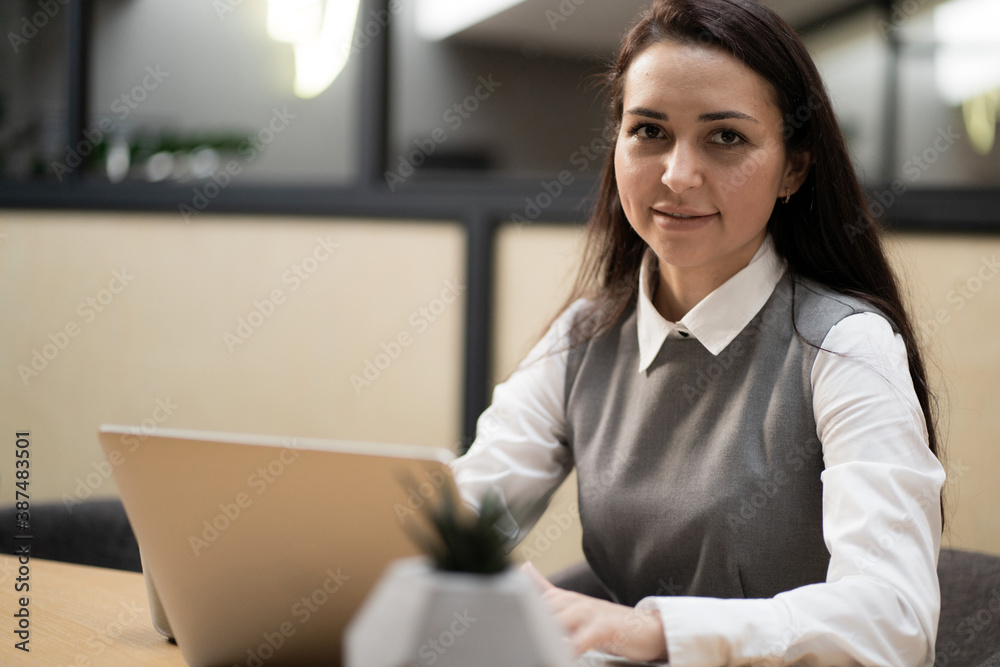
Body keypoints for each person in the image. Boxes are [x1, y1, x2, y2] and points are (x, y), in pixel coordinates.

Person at [448, 0, 947, 664]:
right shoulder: (585, 335)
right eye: (649, 131)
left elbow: (894, 619)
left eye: (726, 137)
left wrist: (653, 630)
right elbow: (464, 511)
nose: (677, 176)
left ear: (793, 167)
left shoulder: (845, 345)